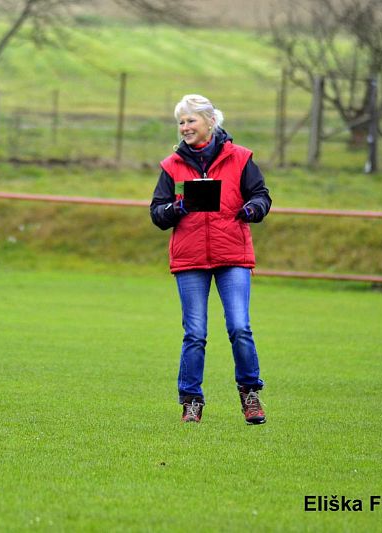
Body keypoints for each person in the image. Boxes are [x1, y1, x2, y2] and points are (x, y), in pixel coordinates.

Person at [150, 94, 271, 424]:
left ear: (210, 122)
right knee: (195, 333)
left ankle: (250, 394)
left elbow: (261, 196)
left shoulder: (241, 158)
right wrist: (178, 207)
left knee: (239, 327)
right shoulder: (171, 166)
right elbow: (157, 214)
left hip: (232, 254)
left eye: (191, 120)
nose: (185, 127)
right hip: (190, 259)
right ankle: (191, 400)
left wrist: (253, 209)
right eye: (181, 122)